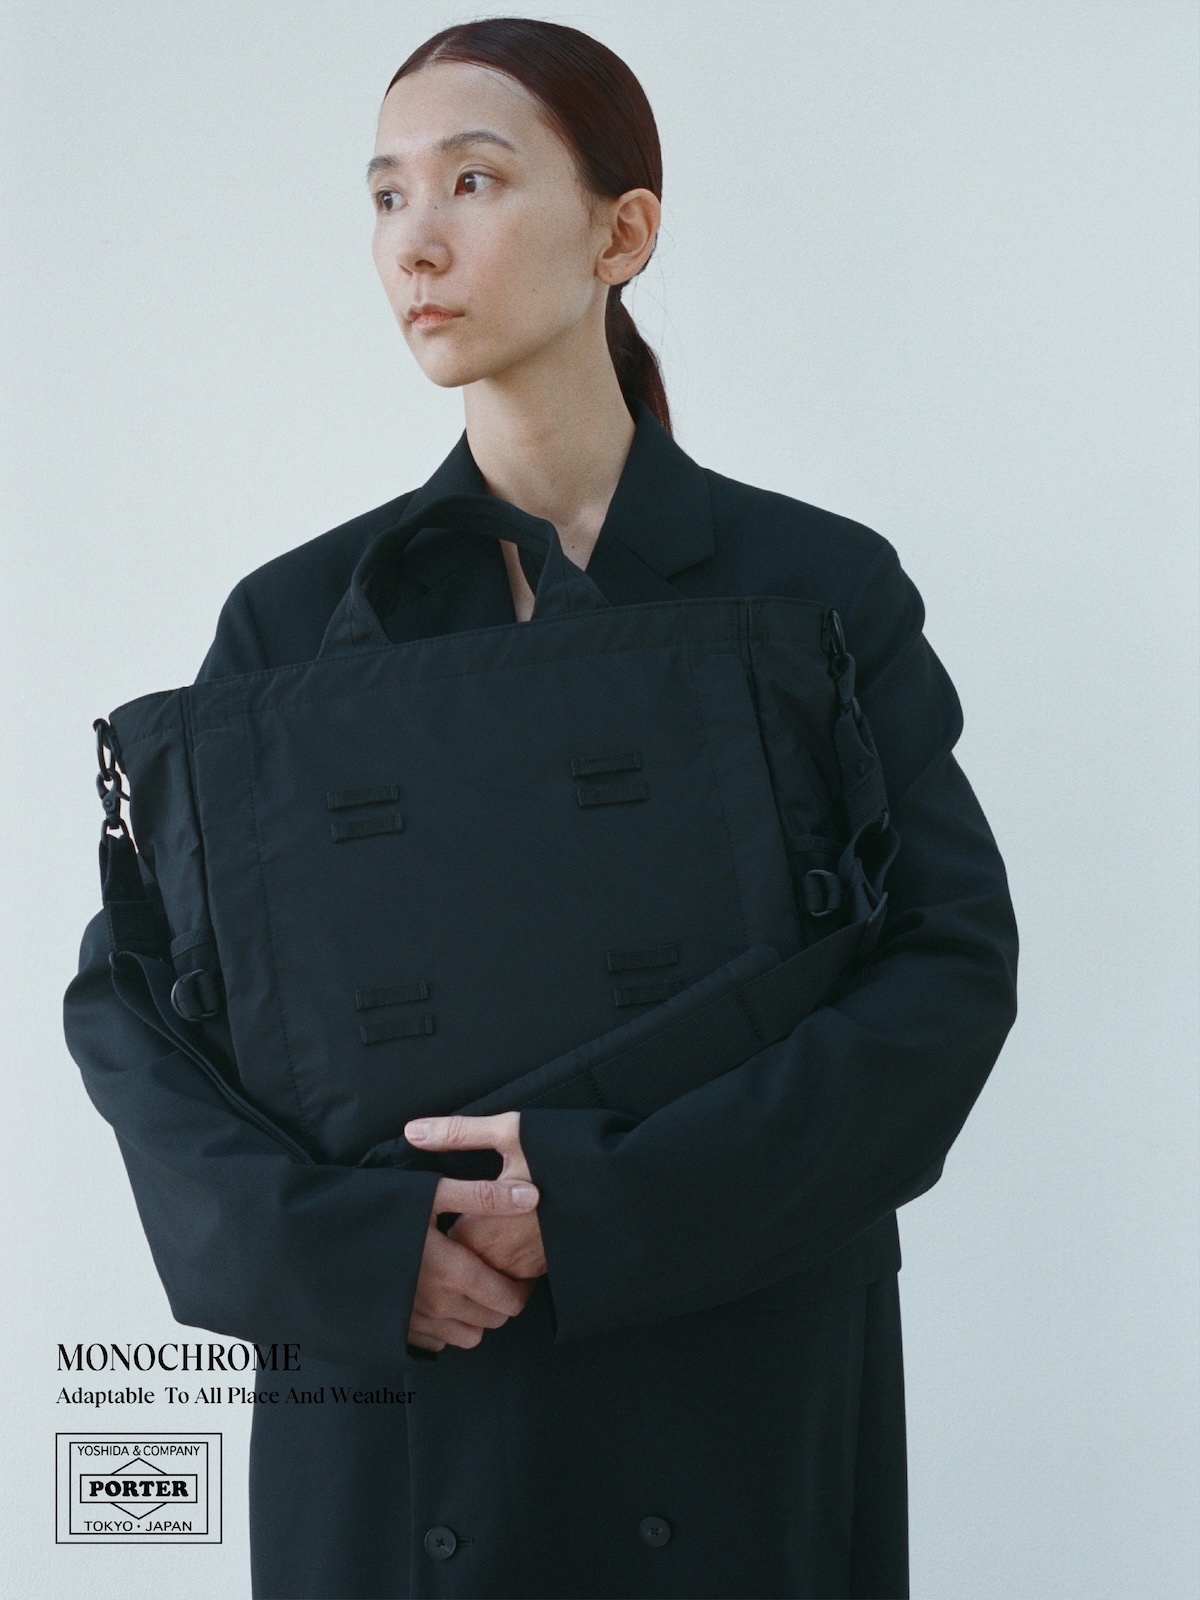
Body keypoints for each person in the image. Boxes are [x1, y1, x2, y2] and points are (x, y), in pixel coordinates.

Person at [64, 17, 1019, 1600]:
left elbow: (944, 973)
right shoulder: (291, 623)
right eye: (385, 195)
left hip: (735, 1380)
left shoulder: (815, 590)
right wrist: (358, 1253)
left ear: (622, 234)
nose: (415, 240)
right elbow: (135, 1009)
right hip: (404, 1389)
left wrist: (601, 1203)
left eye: (475, 180)